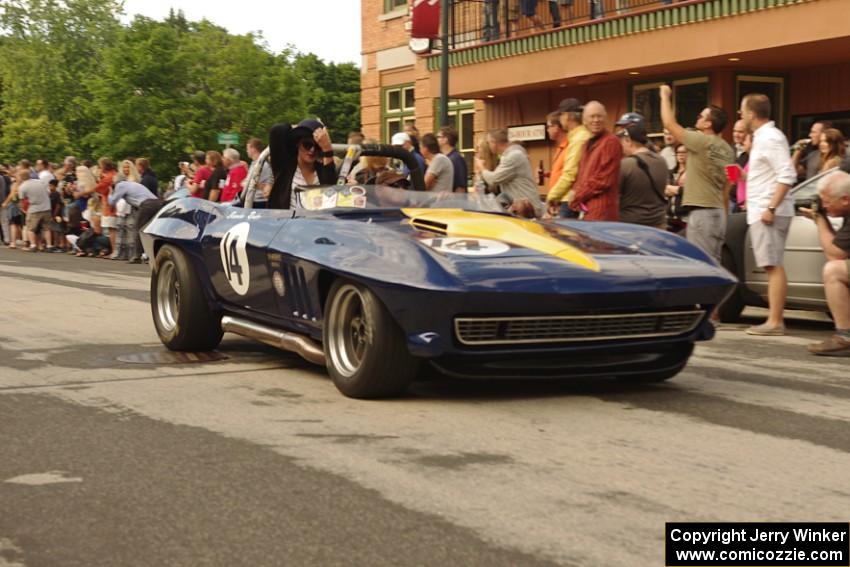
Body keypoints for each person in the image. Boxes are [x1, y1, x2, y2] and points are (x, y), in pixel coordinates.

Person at [739, 93, 798, 336]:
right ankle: (774, 320)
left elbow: (787, 174)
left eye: (742, 110)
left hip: (769, 209)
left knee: (772, 264)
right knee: (770, 263)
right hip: (764, 207)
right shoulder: (764, 138)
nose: (741, 114)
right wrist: (743, 178)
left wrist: (771, 207)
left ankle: (775, 321)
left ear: (752, 114)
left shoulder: (770, 138)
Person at [660, 84, 733, 262]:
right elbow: (729, 184)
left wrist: (664, 96)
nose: (697, 117)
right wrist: (724, 214)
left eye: (701, 116)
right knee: (716, 264)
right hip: (719, 213)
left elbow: (669, 124)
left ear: (708, 123)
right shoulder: (728, 149)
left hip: (702, 213)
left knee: (701, 264)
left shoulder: (701, 140)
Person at [799, 171, 850, 356]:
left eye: (827, 201)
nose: (823, 205)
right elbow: (839, 247)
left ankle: (846, 337)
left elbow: (835, 255)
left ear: (845, 199)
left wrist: (819, 218)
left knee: (834, 271)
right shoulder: (847, 209)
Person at [570, 101, 623, 221]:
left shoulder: (611, 142)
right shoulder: (585, 145)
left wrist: (578, 195)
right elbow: (581, 176)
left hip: (602, 210)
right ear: (584, 121)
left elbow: (604, 180)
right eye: (592, 116)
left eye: (599, 116)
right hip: (586, 209)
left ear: (606, 119)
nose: (596, 120)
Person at [267, 119, 336, 209]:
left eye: (317, 146)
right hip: (288, 221)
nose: (312, 150)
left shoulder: (323, 169)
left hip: (318, 221)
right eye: (307, 144)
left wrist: (327, 149)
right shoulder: (285, 167)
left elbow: (331, 192)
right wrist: (300, 128)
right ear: (297, 144)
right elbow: (276, 132)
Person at [475, 128, 545, 218]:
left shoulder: (513, 156)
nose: (489, 146)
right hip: (521, 207)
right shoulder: (510, 155)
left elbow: (493, 179)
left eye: (489, 143)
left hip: (526, 209)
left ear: (494, 142)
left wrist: (481, 168)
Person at [617, 121, 669, 229]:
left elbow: (615, 196)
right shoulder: (662, 161)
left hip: (631, 227)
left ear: (628, 141)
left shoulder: (625, 164)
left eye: (622, 141)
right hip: (658, 225)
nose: (621, 145)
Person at [546, 97, 592, 218]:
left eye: (561, 115)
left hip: (570, 199)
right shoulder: (578, 137)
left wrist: (552, 196)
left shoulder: (579, 139)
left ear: (567, 116)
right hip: (571, 197)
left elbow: (570, 174)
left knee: (563, 235)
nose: (560, 119)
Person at [108, 180, 162, 263]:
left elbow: (112, 201)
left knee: (138, 230)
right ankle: (150, 255)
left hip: (147, 205)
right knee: (149, 231)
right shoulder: (132, 184)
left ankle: (137, 256)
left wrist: (110, 193)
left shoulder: (120, 185)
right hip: (157, 203)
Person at [18, 172, 52, 252]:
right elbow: (48, 192)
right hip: (46, 207)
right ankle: (49, 245)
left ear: (21, 177)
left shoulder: (23, 187)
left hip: (34, 209)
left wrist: (24, 209)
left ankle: (33, 245)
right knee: (47, 228)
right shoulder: (39, 182)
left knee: (31, 228)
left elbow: (22, 200)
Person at [438, 126, 469, 193]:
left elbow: (460, 187)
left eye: (438, 137)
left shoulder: (456, 159)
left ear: (445, 139)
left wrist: (454, 202)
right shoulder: (446, 157)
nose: (437, 139)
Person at [544, 110, 568, 193]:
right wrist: (550, 174)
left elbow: (569, 176)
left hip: (564, 199)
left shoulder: (569, 147)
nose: (547, 130)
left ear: (557, 127)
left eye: (548, 127)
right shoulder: (560, 148)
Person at [245, 138, 272, 208]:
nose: (247, 151)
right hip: (253, 199)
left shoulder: (261, 165)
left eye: (247, 149)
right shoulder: (254, 164)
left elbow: (253, 183)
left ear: (253, 149)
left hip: (258, 201)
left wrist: (245, 183)